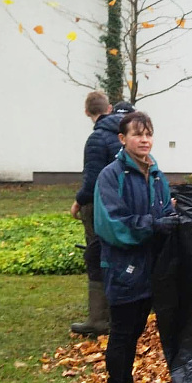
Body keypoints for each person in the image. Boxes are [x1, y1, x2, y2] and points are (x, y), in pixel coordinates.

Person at [93, 111, 180, 383]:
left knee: (135, 331)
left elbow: (164, 209)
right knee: (122, 333)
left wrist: (174, 214)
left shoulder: (154, 173)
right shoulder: (111, 176)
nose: (144, 140)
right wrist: (153, 225)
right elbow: (112, 224)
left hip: (150, 268)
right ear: (122, 139)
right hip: (124, 268)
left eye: (148, 134)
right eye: (137, 134)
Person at [69, 93, 135, 336]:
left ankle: (99, 319)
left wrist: (78, 202)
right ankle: (121, 313)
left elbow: (92, 180)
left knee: (96, 255)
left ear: (87, 112)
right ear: (108, 108)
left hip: (99, 207)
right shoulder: (125, 136)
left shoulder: (97, 138)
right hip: (125, 204)